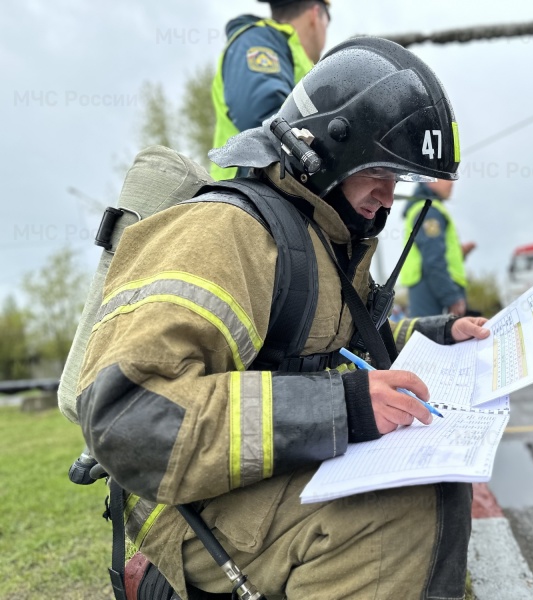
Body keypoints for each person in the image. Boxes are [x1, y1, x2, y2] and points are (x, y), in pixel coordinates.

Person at [77, 37, 488, 600]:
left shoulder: (331, 237)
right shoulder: (227, 234)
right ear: (326, 148)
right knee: (402, 510)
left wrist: (438, 335)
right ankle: (163, 584)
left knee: (438, 485)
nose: (388, 198)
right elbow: (128, 420)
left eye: (399, 180)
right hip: (181, 507)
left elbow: (343, 345)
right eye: (379, 172)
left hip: (248, 480)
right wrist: (339, 409)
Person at [211, 0, 331, 180]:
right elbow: (266, 119)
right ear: (315, 15)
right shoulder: (257, 42)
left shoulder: (294, 55)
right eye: (327, 24)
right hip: (246, 193)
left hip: (273, 193)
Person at [399, 179, 477, 317]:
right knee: (432, 337)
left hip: (430, 288)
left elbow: (432, 253)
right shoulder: (430, 212)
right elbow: (433, 260)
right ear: (429, 180)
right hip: (433, 290)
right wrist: (451, 297)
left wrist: (460, 254)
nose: (452, 183)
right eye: (446, 178)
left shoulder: (426, 209)